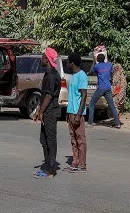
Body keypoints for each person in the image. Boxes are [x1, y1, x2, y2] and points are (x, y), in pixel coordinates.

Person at [34, 48, 61, 178]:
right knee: (43, 139)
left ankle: (51, 169)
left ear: (47, 59)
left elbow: (49, 96)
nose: (41, 58)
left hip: (51, 112)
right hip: (47, 112)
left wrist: (41, 111)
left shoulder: (51, 75)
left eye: (43, 56)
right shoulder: (48, 73)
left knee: (50, 140)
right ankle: (47, 165)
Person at [65, 53, 89, 173]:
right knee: (73, 139)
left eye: (68, 61)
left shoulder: (82, 76)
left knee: (80, 139)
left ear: (72, 63)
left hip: (77, 113)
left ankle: (82, 164)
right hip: (70, 112)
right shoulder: (73, 76)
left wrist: (79, 114)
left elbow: (84, 96)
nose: (67, 64)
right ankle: (75, 161)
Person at [87, 53, 122, 128]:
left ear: (97, 60)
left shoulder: (97, 66)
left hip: (100, 88)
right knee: (112, 106)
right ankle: (117, 123)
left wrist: (94, 62)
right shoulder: (109, 65)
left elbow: (90, 72)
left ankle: (90, 122)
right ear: (104, 59)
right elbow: (111, 73)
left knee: (92, 104)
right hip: (108, 88)